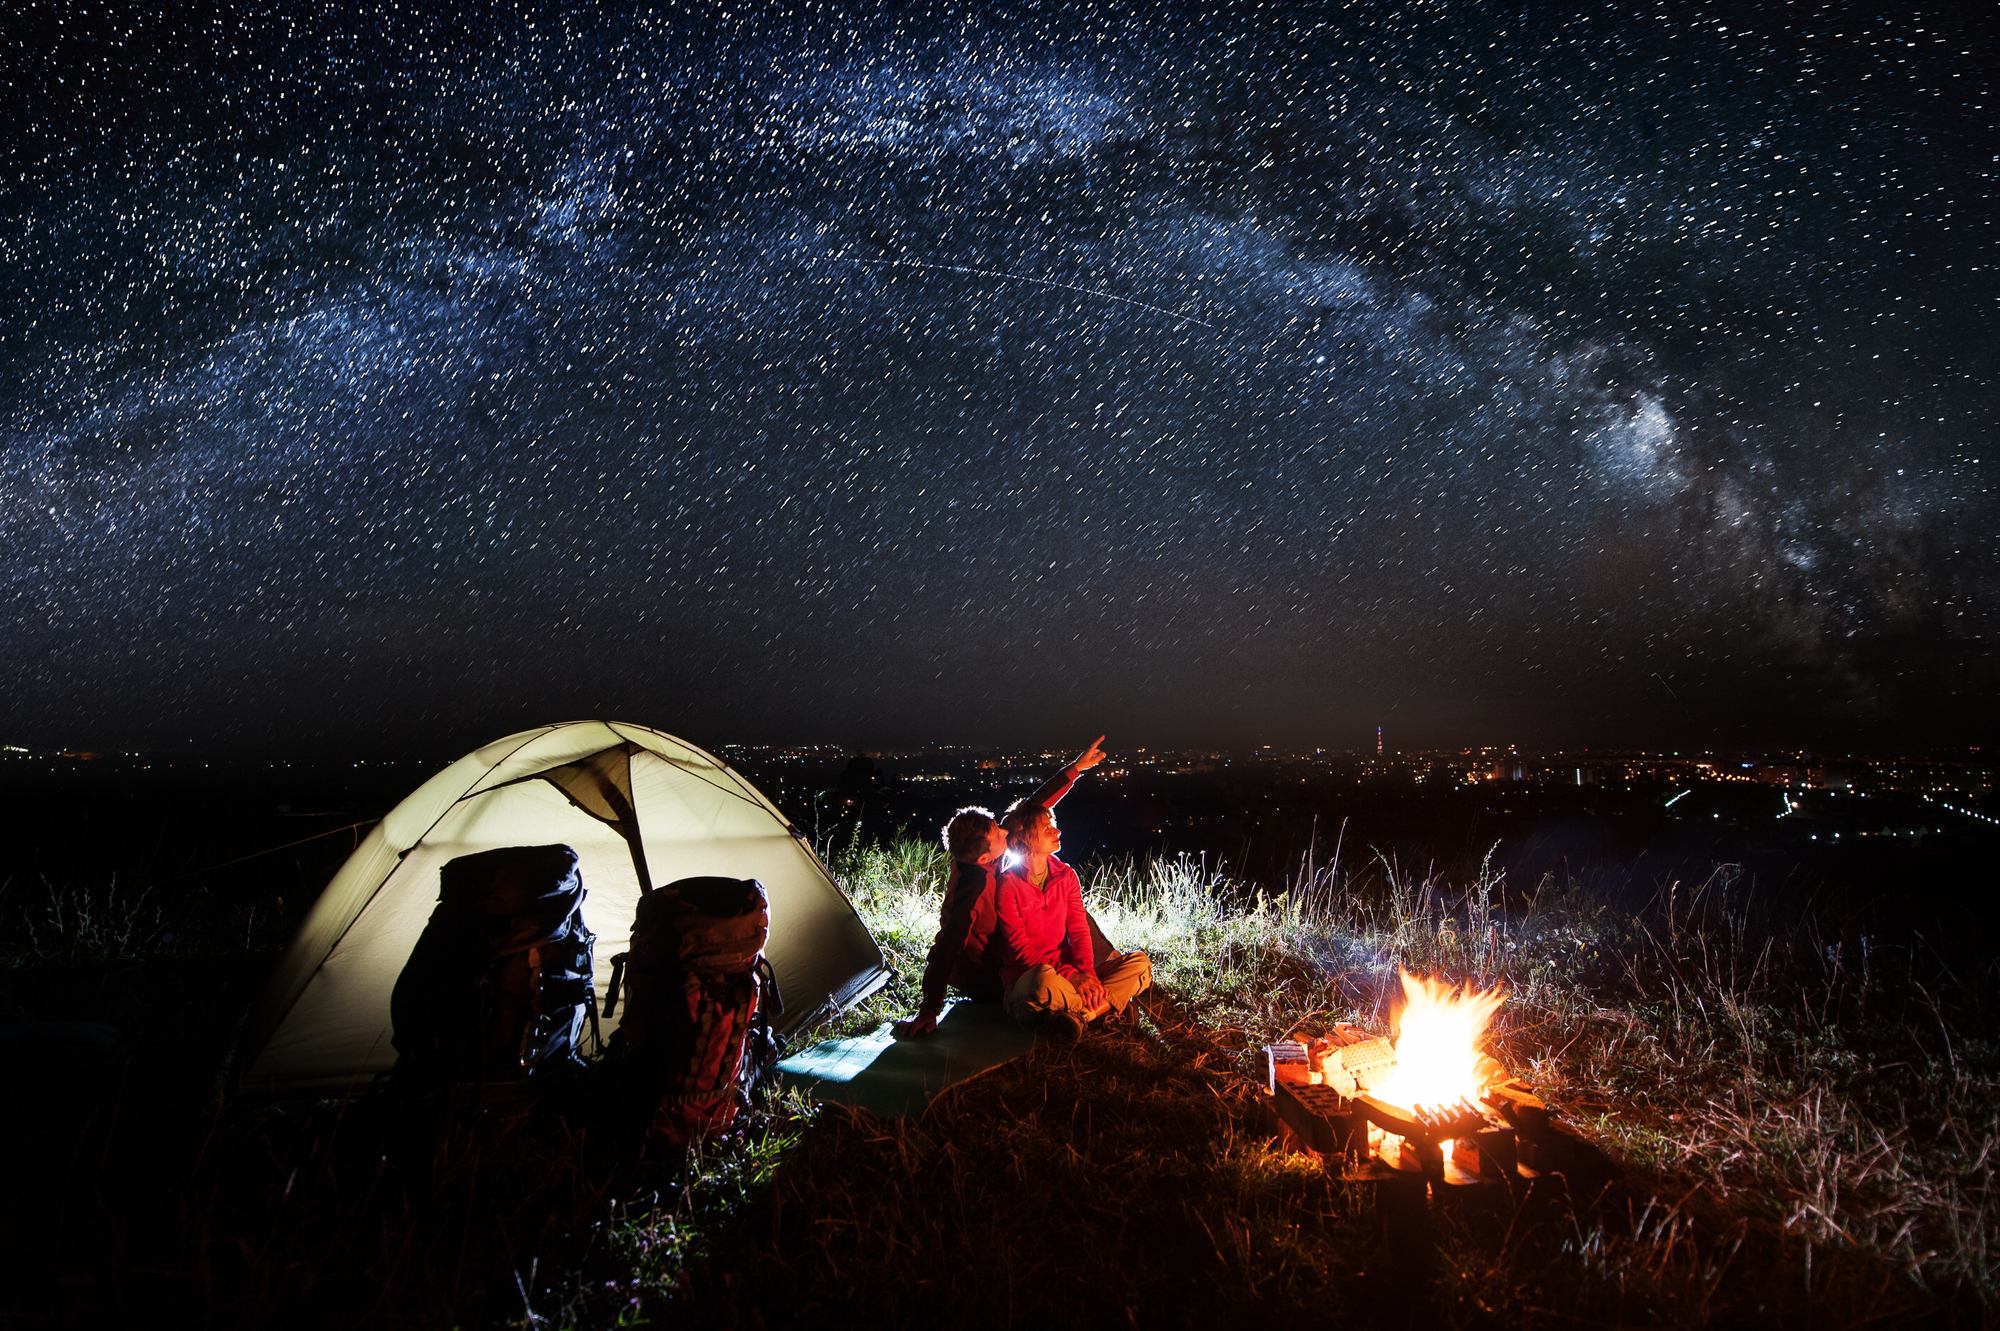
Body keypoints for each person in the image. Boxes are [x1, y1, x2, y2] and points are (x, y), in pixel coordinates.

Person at [893, 737, 1108, 1038]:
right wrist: (929, 1009)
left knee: (1069, 910)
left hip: (1017, 959)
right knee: (1049, 963)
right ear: (984, 858)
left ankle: (1097, 977)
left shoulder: (989, 853)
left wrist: (1075, 769)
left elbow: (1031, 810)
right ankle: (1092, 1002)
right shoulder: (971, 889)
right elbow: (946, 947)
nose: (1006, 832)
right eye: (998, 833)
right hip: (992, 977)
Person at [993, 793, 1152, 1041]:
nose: (1056, 831)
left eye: (1052, 825)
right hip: (1033, 977)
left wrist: (1087, 975)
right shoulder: (1008, 885)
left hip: (1070, 974)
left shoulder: (1065, 876)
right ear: (1026, 839)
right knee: (1041, 982)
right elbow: (1020, 952)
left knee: (1140, 964)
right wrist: (1072, 976)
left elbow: (1079, 930)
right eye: (1047, 828)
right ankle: (1106, 1007)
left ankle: (1081, 1015)